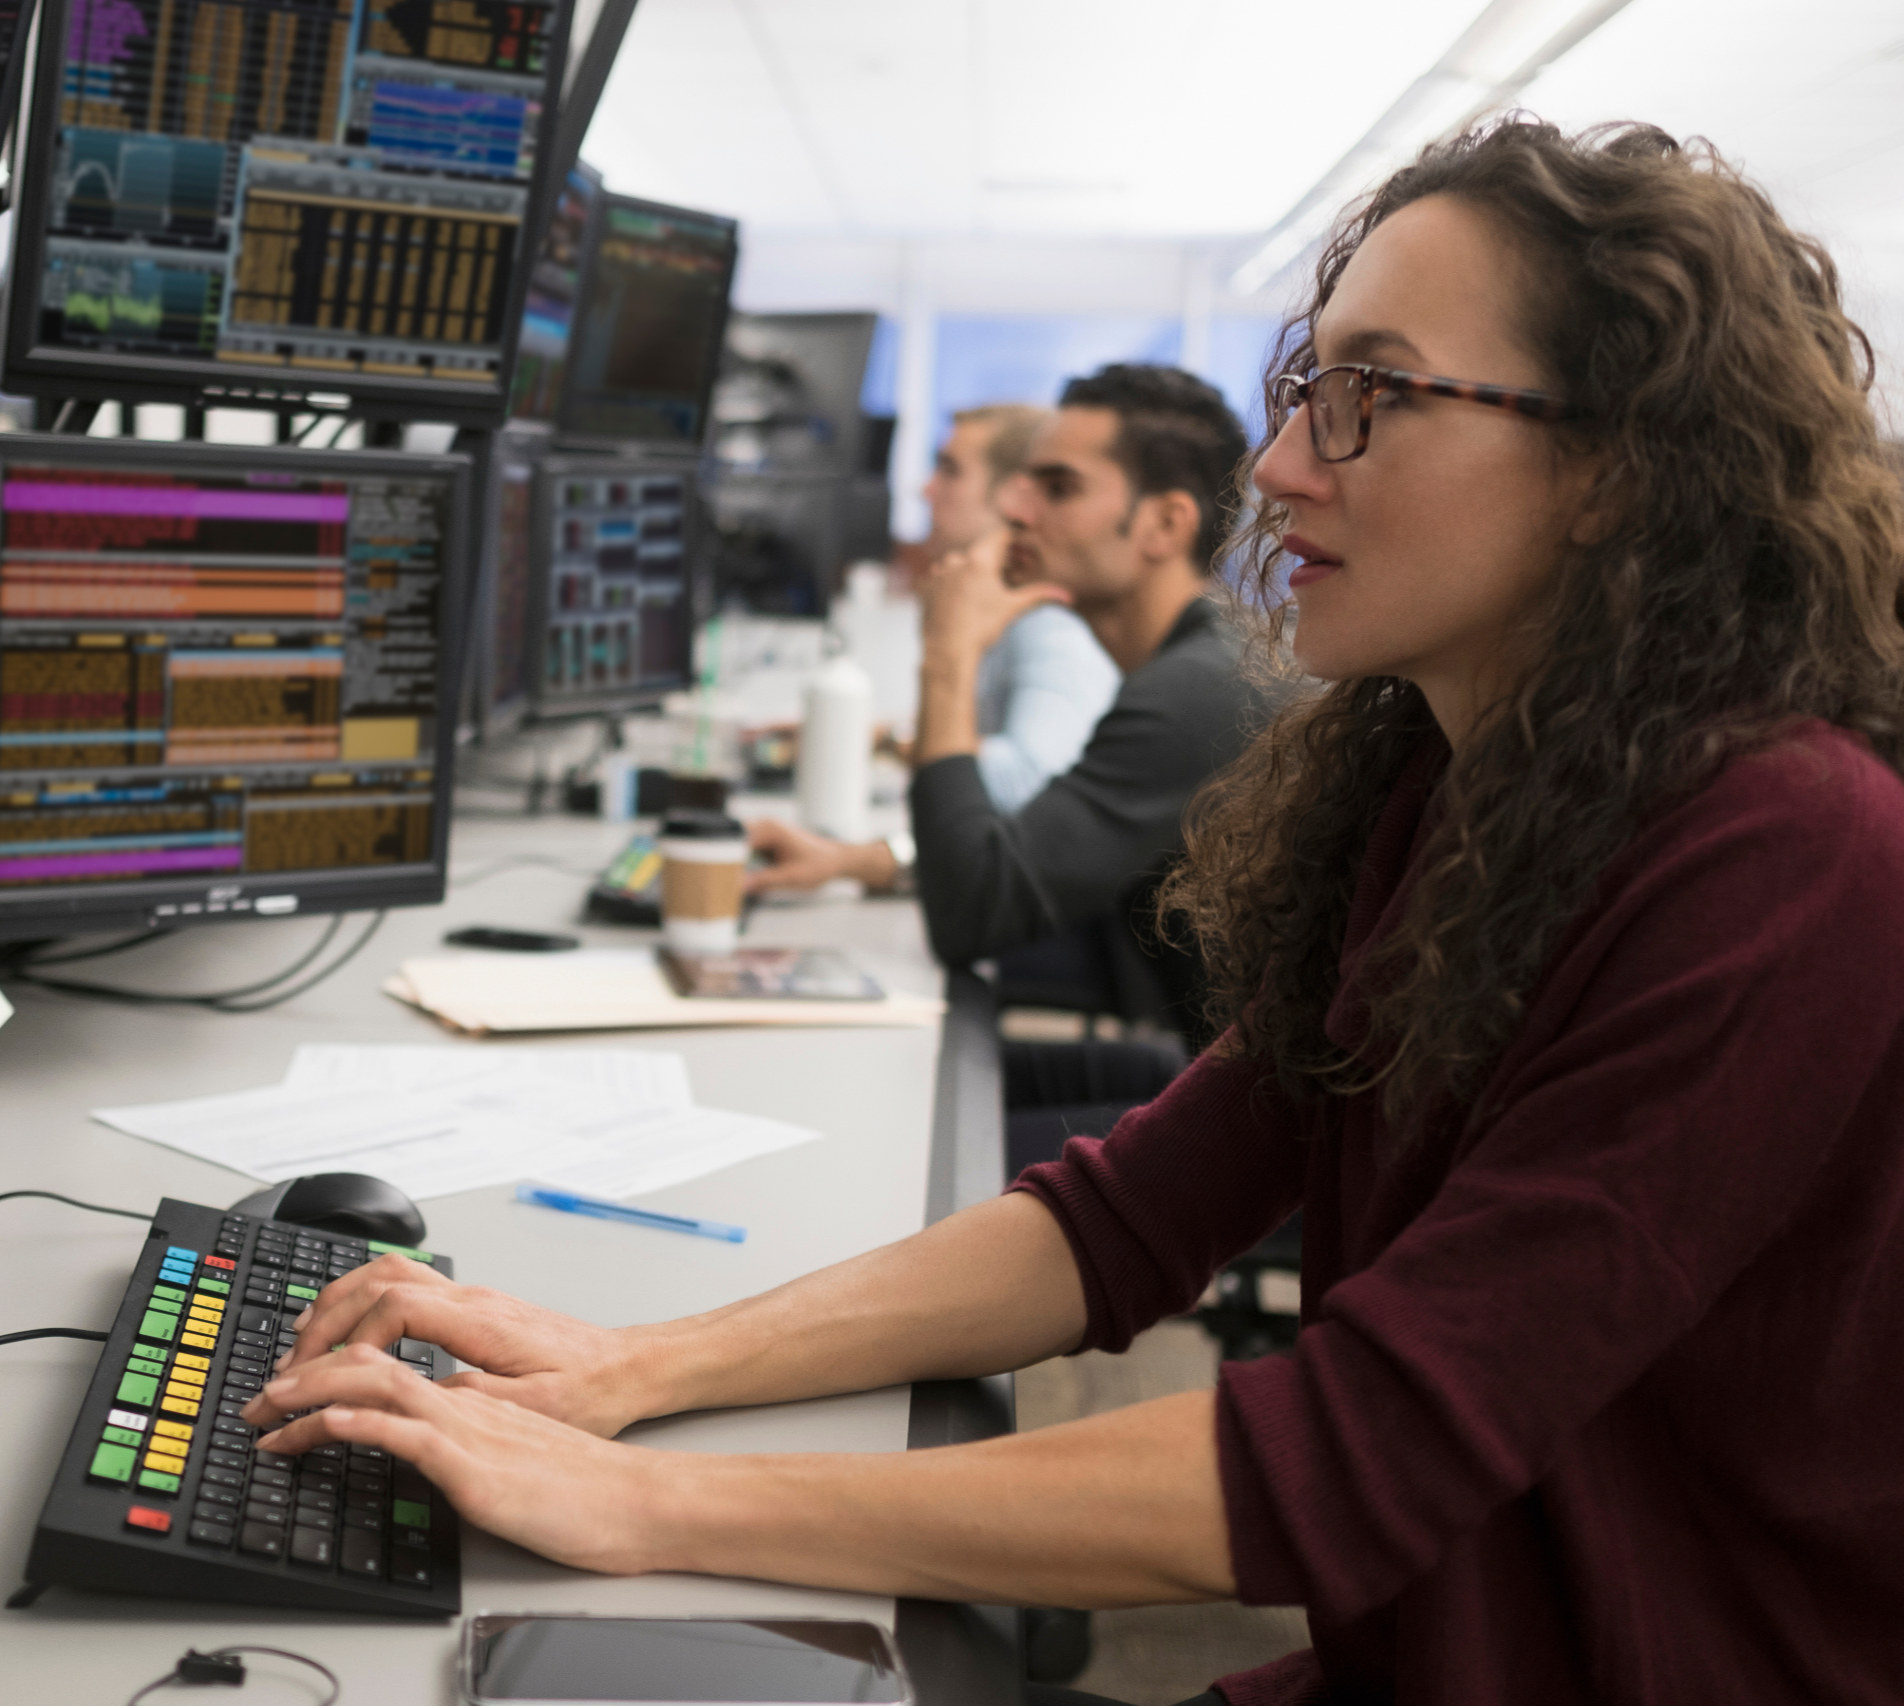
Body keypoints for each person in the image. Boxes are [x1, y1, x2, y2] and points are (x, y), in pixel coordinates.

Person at [243, 119, 1904, 1705]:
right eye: (1307, 388)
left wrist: (651, 1504)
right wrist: (634, 1363)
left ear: (1614, 471)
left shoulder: (1788, 856)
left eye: (1372, 397)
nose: (1277, 466)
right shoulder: (1459, 793)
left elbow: (1346, 1463)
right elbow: (1124, 1222)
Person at [752, 364, 1265, 1046]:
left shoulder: (1198, 693)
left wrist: (949, 654)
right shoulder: (1194, 666)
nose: (1018, 509)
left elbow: (968, 914)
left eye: (1059, 487)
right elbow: (1035, 857)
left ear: (1165, 524)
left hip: (1250, 1130)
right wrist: (862, 863)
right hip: (1202, 1087)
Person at [919, 403, 1121, 810]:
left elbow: (1029, 782)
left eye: (950, 470)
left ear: (1012, 493)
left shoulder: (1049, 619)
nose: (926, 490)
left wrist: (946, 652)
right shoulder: (999, 602)